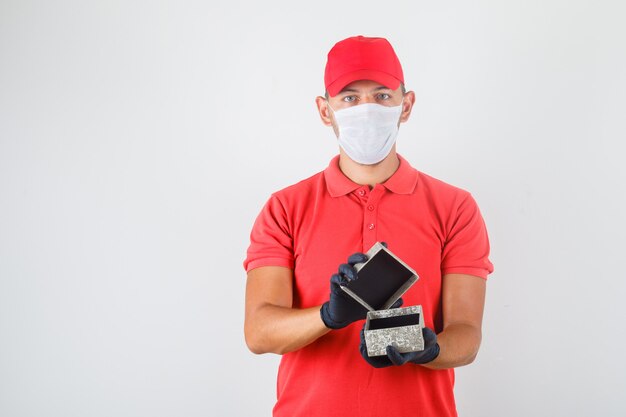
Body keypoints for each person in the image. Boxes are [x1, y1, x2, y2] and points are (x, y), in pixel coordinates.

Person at [243, 35, 494, 417]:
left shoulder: (455, 207)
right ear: (325, 111)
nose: (366, 109)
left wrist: (429, 349)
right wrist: (329, 315)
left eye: (381, 96)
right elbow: (259, 332)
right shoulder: (285, 208)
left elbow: (467, 335)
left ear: (405, 105)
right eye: (349, 98)